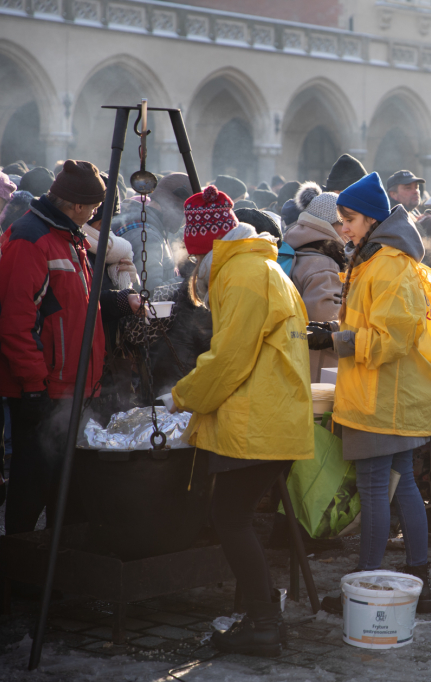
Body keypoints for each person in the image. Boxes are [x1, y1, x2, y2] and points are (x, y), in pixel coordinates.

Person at [306, 172, 431, 613]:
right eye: (341, 220)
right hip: (386, 395)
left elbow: (389, 341)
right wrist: (335, 332)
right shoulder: (376, 259)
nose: (344, 228)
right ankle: (418, 583)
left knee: (377, 490)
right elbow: (375, 327)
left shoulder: (388, 263)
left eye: (349, 219)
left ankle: (368, 587)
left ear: (373, 219)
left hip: (382, 397)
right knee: (402, 485)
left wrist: (333, 341)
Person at [170, 185, 314, 657]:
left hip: (259, 420)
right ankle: (264, 616)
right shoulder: (260, 265)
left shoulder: (244, 274)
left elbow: (230, 358)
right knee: (235, 517)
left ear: (208, 248)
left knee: (229, 519)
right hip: (271, 415)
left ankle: (264, 624)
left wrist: (183, 396)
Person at [0, 161, 141, 536]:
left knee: (66, 484)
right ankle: (23, 580)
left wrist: (120, 303)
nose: (96, 216)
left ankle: (62, 575)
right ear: (76, 206)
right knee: (31, 487)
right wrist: (35, 387)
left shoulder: (67, 235)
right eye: (94, 209)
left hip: (72, 387)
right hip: (45, 390)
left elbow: (76, 305)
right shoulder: (31, 238)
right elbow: (15, 324)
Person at [281, 192, 345, 380]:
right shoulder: (325, 265)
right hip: (318, 370)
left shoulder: (293, 251)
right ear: (333, 224)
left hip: (292, 363)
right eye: (345, 221)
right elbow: (326, 321)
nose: (349, 229)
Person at [112, 172, 193, 287]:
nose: (186, 222)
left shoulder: (149, 226)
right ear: (175, 206)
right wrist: (192, 281)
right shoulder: (148, 237)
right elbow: (152, 292)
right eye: (187, 214)